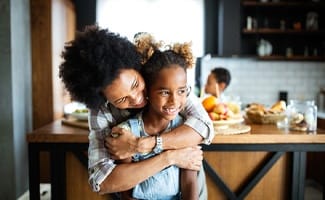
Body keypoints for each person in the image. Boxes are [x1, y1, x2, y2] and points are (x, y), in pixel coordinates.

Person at [59, 25, 213, 197]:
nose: (136, 98)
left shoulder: (169, 89)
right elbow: (101, 181)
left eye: (135, 85)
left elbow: (204, 127)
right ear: (104, 100)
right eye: (121, 100)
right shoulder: (102, 113)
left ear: (137, 67)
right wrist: (170, 158)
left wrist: (141, 145)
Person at [117, 33, 199, 199]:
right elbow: (126, 190)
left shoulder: (184, 130)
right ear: (147, 91)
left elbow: (189, 183)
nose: (174, 101)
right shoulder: (127, 132)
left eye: (181, 91)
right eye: (164, 92)